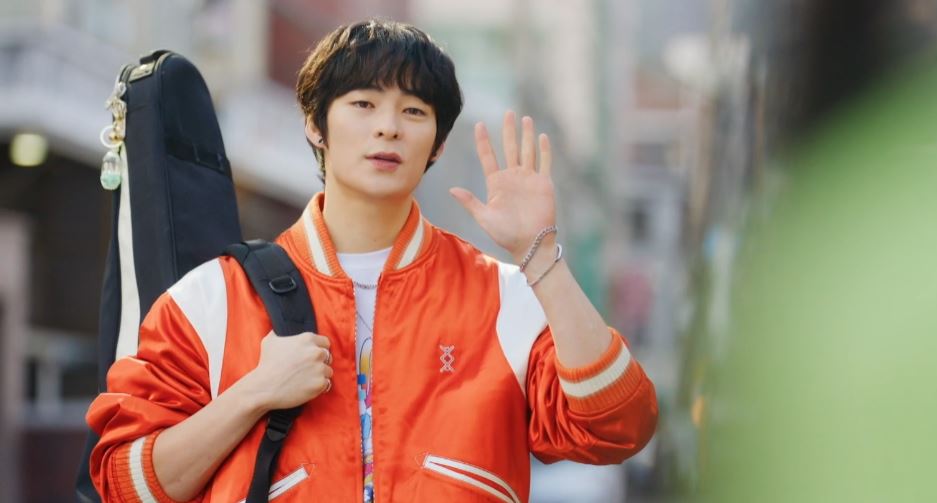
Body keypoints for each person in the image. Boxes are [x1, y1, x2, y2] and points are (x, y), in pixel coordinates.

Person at [85, 19, 657, 503]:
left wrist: (543, 256)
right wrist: (253, 393)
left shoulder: (504, 298)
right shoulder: (214, 298)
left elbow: (617, 426)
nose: (388, 126)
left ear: (437, 145)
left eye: (414, 111)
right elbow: (123, 483)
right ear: (316, 124)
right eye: (363, 104)